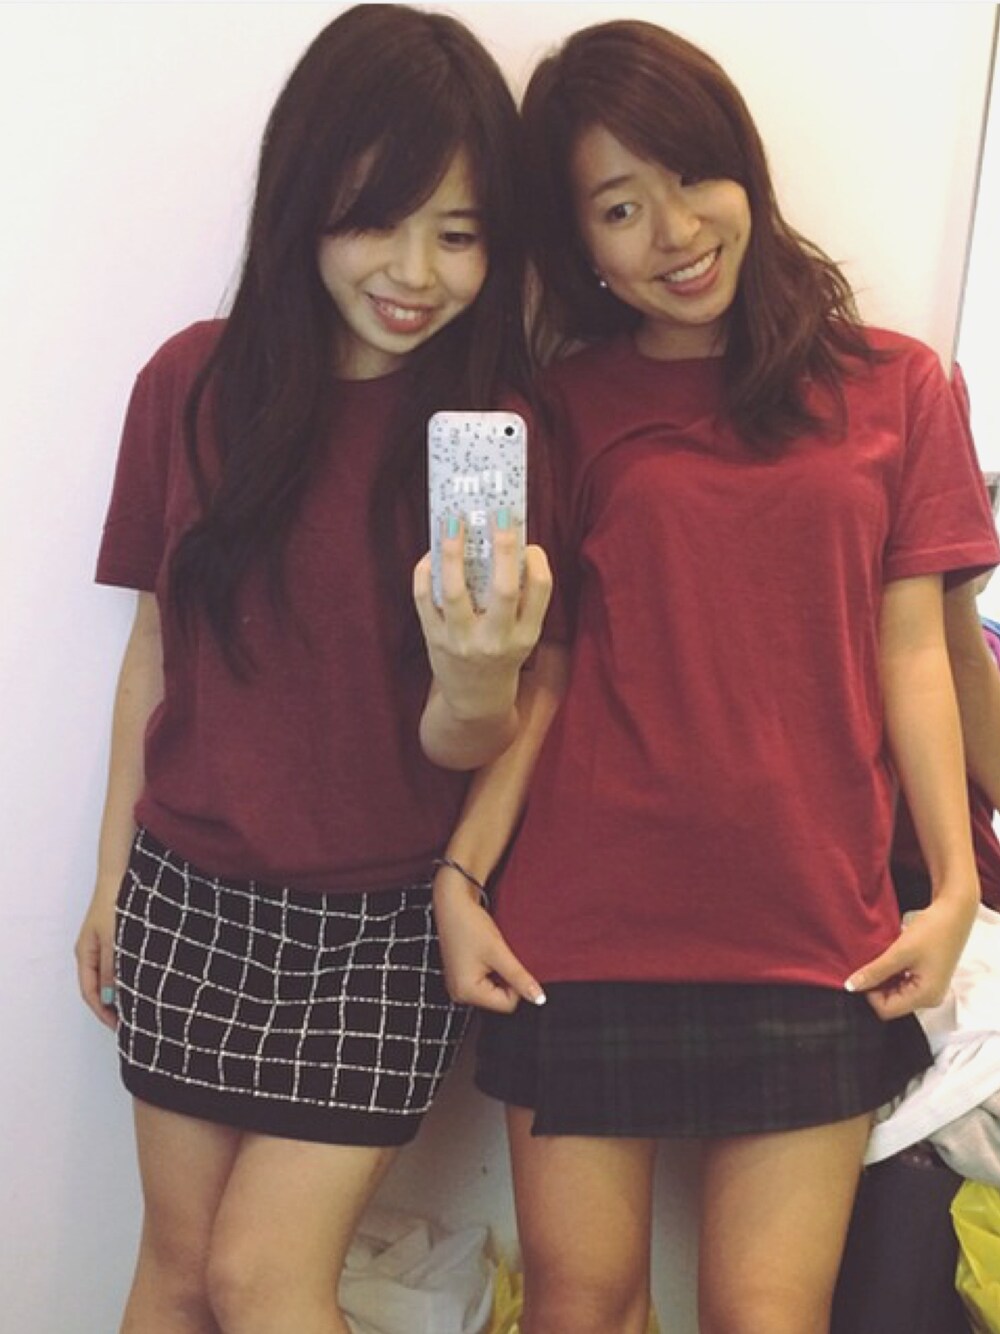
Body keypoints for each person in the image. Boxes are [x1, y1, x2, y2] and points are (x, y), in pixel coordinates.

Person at [429, 19, 1000, 1334]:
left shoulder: (898, 387)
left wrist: (955, 883)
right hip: (582, 925)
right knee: (581, 1308)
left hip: (817, 925)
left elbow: (915, 648)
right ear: (581, 243)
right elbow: (550, 669)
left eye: (692, 177)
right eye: (620, 207)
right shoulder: (565, 405)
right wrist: (461, 874)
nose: (675, 231)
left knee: (765, 1316)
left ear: (744, 167)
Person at [73, 7, 551, 1332]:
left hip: (383, 925)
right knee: (176, 1272)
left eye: (460, 233)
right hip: (187, 893)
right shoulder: (190, 385)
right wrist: (111, 875)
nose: (416, 272)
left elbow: (469, 740)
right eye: (376, 219)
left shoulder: (488, 441)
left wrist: (479, 677)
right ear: (302, 201)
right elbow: (156, 647)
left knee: (261, 1279)